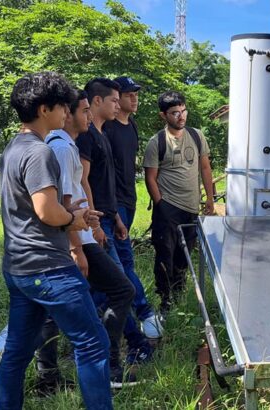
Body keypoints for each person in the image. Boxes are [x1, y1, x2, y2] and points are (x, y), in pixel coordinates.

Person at [0, 72, 112, 410]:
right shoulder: (39, 151)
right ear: (45, 109)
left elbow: (34, 208)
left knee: (17, 350)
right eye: (63, 106)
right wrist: (72, 219)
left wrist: (70, 214)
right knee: (93, 343)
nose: (67, 112)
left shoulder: (13, 148)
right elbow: (46, 211)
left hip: (19, 267)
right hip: (49, 268)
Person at [36, 89, 138, 391]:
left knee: (51, 309)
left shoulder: (65, 145)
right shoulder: (63, 149)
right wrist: (76, 249)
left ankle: (50, 377)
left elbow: (75, 196)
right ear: (66, 115)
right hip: (72, 240)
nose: (87, 116)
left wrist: (91, 219)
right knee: (121, 290)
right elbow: (63, 205)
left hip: (79, 234)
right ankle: (107, 366)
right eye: (83, 111)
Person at [76, 78, 154, 366]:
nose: (119, 102)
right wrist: (95, 225)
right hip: (97, 223)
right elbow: (82, 181)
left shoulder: (100, 134)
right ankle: (132, 344)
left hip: (111, 217)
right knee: (119, 287)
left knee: (111, 286)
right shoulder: (86, 136)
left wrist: (117, 218)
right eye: (114, 99)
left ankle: (119, 342)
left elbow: (107, 185)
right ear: (98, 101)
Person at [103, 76, 163, 340]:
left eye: (135, 94)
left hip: (130, 200)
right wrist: (115, 211)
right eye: (128, 95)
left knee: (124, 262)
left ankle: (128, 316)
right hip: (113, 206)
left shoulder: (133, 126)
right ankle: (144, 314)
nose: (134, 99)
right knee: (122, 264)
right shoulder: (107, 128)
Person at [143, 91, 215, 313]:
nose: (181, 116)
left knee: (185, 255)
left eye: (183, 111)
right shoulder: (157, 142)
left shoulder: (196, 135)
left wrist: (210, 198)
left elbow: (204, 167)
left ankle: (179, 294)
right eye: (175, 113)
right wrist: (161, 204)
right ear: (163, 115)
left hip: (191, 206)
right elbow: (150, 178)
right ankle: (165, 300)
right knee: (166, 253)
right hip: (168, 207)